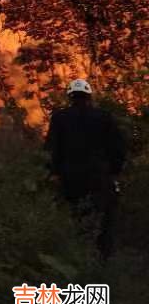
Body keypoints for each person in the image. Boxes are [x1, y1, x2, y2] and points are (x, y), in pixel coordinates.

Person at [46, 79, 126, 258]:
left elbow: (52, 149)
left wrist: (54, 172)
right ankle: (103, 261)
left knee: (75, 217)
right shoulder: (104, 116)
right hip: (99, 177)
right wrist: (114, 172)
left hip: (70, 178)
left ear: (70, 97)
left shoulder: (60, 117)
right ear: (89, 96)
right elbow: (118, 148)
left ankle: (77, 257)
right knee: (105, 219)